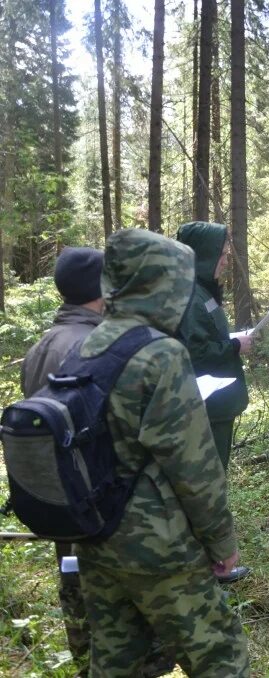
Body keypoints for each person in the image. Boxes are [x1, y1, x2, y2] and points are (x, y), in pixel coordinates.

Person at [76, 228, 249, 676]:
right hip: (158, 543)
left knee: (116, 662)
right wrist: (222, 543)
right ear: (161, 284)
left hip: (97, 535)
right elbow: (194, 465)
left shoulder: (89, 344)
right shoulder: (161, 354)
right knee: (221, 656)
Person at [20, 247, 104, 665]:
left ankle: (84, 662)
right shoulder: (94, 344)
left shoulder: (42, 345)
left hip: (56, 496)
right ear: (103, 289)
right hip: (95, 499)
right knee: (106, 609)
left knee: (73, 587)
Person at [176, 222, 253, 584]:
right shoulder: (189, 296)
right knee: (206, 488)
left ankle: (208, 563)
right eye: (221, 252)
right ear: (202, 255)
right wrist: (235, 346)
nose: (226, 258)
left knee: (214, 483)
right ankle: (206, 568)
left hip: (218, 408)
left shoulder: (203, 292)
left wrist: (231, 340)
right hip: (205, 410)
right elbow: (196, 353)